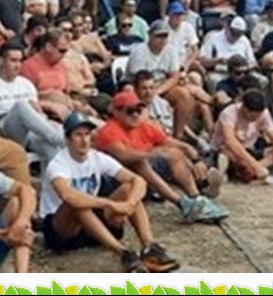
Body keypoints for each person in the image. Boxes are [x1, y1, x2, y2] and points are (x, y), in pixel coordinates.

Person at [40, 111, 179, 272]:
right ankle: (124, 254)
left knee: (128, 189)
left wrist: (130, 203)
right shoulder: (58, 165)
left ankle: (149, 247)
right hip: (62, 229)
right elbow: (68, 196)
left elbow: (138, 180)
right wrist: (110, 204)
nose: (84, 140)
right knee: (78, 204)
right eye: (78, 135)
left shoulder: (97, 158)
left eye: (87, 134)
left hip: (91, 223)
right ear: (68, 139)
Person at [95, 90, 228, 223]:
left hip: (143, 176)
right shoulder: (109, 131)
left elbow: (177, 144)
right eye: (130, 111)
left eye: (138, 110)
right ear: (117, 112)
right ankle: (183, 203)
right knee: (139, 162)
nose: (135, 114)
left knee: (175, 154)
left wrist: (196, 159)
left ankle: (196, 198)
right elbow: (124, 156)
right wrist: (153, 153)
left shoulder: (145, 126)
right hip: (115, 181)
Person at [0, 41, 66, 163]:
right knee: (21, 106)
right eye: (13, 61)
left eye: (20, 61)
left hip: (31, 133)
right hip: (5, 131)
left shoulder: (26, 84)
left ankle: (57, 174)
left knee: (52, 148)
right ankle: (62, 139)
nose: (17, 65)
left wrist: (47, 121)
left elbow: (37, 113)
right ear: (1, 61)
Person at [125, 20, 202, 139]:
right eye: (158, 36)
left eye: (165, 36)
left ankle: (178, 134)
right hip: (139, 86)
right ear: (150, 36)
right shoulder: (139, 51)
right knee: (129, 90)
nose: (162, 39)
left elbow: (174, 76)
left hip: (160, 85)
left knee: (184, 94)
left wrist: (158, 91)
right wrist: (152, 91)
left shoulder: (171, 50)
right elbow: (139, 79)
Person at [211, 89, 273, 184]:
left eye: (257, 116)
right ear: (244, 107)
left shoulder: (264, 113)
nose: (255, 119)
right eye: (252, 116)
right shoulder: (229, 113)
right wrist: (255, 166)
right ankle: (253, 170)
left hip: (251, 149)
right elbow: (229, 141)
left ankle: (252, 171)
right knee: (226, 154)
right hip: (230, 150)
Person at [0, 164, 36, 273]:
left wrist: (20, 223)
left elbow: (26, 190)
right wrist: (5, 235)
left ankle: (22, 275)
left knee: (17, 203)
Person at [199, 16, 258, 91]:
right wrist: (217, 61)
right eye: (233, 33)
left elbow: (253, 62)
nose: (235, 37)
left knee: (261, 80)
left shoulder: (244, 40)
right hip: (221, 72)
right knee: (214, 81)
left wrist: (244, 67)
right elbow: (203, 61)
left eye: (238, 34)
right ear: (227, 28)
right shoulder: (213, 37)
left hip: (242, 73)